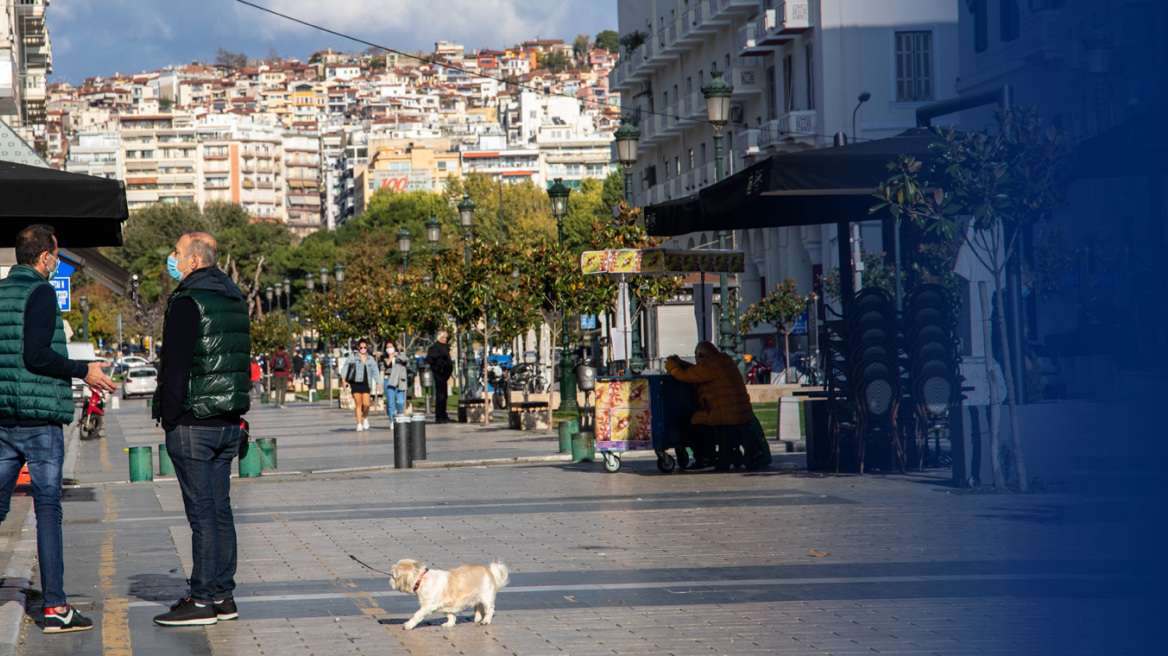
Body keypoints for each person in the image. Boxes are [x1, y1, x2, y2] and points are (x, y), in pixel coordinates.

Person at [0, 224, 117, 633]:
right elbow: (37, 355)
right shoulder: (42, 292)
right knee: (48, 509)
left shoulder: (1, 292)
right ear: (44, 257)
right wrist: (84, 370)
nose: (58, 261)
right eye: (56, 254)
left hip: (4, 417)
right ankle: (55, 609)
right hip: (39, 420)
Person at [151, 231, 251, 626]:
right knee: (221, 512)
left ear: (194, 261)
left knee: (202, 516)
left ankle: (202, 600)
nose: (171, 258)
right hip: (228, 422)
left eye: (176, 252)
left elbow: (176, 366)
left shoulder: (188, 300)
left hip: (194, 421)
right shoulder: (234, 296)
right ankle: (223, 596)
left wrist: (171, 416)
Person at [665, 341, 757, 471]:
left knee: (693, 421)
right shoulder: (723, 360)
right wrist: (681, 363)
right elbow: (697, 370)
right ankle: (714, 455)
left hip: (724, 413)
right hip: (741, 412)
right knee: (701, 418)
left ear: (700, 354)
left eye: (696, 356)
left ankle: (704, 458)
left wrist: (670, 364)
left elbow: (685, 376)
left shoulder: (709, 364)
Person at [341, 339, 378, 431]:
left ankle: (365, 418)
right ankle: (359, 424)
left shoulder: (370, 358)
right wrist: (343, 380)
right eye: (361, 347)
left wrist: (379, 382)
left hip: (366, 383)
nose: (363, 349)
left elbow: (375, 371)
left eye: (365, 347)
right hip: (355, 382)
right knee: (358, 404)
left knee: (367, 404)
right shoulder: (353, 357)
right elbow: (345, 367)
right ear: (358, 347)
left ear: (367, 348)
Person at [425, 331, 453, 423]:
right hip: (440, 375)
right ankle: (440, 416)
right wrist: (438, 368)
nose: (446, 339)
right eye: (445, 337)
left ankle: (443, 415)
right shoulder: (435, 348)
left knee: (444, 395)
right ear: (441, 338)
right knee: (440, 395)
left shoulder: (444, 347)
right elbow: (429, 359)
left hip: (444, 376)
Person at [381, 341, 409, 425]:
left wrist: (398, 356)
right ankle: (392, 421)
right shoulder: (384, 357)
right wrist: (390, 358)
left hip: (400, 380)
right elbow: (382, 367)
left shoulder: (400, 355)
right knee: (391, 402)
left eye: (391, 346)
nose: (389, 348)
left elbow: (407, 363)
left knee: (400, 401)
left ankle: (399, 417)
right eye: (388, 347)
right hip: (389, 380)